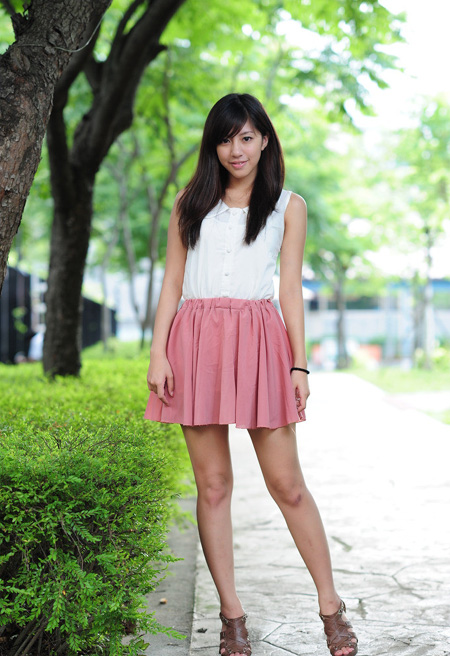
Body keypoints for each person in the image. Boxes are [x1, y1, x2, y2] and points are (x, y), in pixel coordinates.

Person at [145, 93, 358, 656]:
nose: (235, 149)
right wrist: (158, 353)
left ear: (264, 140)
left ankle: (331, 607)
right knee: (213, 486)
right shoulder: (190, 202)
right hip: (195, 340)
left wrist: (299, 363)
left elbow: (290, 290)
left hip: (261, 340)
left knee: (288, 485)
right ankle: (232, 616)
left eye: (245, 137)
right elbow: (172, 282)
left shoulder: (289, 206)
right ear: (213, 146)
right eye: (224, 138)